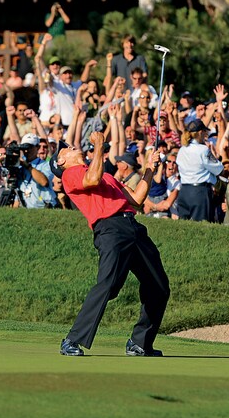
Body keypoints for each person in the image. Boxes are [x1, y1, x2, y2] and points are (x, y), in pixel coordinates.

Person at [52, 133, 170, 357]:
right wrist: (98, 146)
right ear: (61, 162)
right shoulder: (71, 174)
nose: (70, 146)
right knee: (108, 285)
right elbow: (92, 179)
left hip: (132, 227)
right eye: (65, 149)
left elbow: (136, 200)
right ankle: (72, 340)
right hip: (110, 230)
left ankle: (139, 343)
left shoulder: (107, 176)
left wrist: (149, 169)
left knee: (159, 286)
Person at [175, 120, 223, 221]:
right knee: (202, 226)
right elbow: (219, 169)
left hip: (184, 191)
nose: (206, 135)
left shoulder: (182, 150)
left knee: (183, 227)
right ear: (200, 132)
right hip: (199, 192)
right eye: (205, 132)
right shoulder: (203, 150)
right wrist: (216, 158)